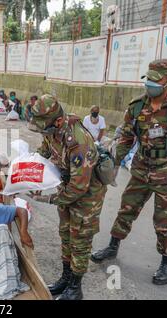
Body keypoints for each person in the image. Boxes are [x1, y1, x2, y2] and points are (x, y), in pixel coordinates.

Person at [91, 59, 167, 285]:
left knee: (164, 220)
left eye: (157, 81)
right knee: (126, 208)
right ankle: (113, 246)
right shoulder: (136, 106)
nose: (151, 85)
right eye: (149, 80)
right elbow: (126, 137)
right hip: (141, 169)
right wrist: (113, 166)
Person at [30, 94, 108, 300]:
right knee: (65, 234)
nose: (43, 132)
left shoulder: (79, 141)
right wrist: (30, 177)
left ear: (57, 121)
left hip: (86, 197)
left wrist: (49, 199)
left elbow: (79, 187)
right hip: (67, 189)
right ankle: (66, 278)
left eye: (45, 128)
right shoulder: (52, 131)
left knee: (80, 240)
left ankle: (76, 287)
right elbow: (42, 154)